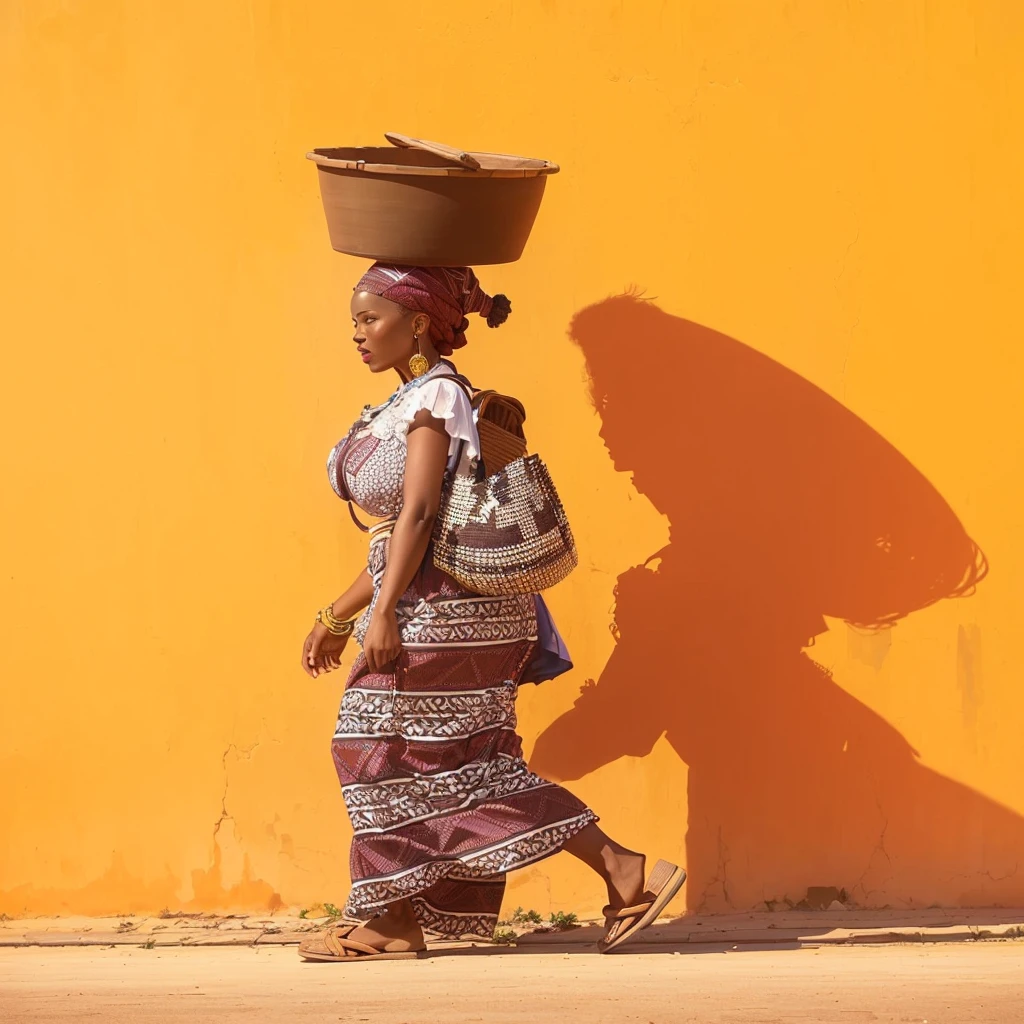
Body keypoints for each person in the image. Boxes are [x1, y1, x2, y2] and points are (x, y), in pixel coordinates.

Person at [297, 264, 685, 962]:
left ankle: (391, 920)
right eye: (354, 318)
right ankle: (621, 874)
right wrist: (338, 612)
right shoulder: (419, 398)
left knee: (372, 752)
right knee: (460, 766)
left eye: (370, 318)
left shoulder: (437, 398)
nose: (356, 332)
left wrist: (381, 614)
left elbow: (417, 514)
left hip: (443, 613)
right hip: (453, 607)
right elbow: (396, 537)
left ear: (417, 324)